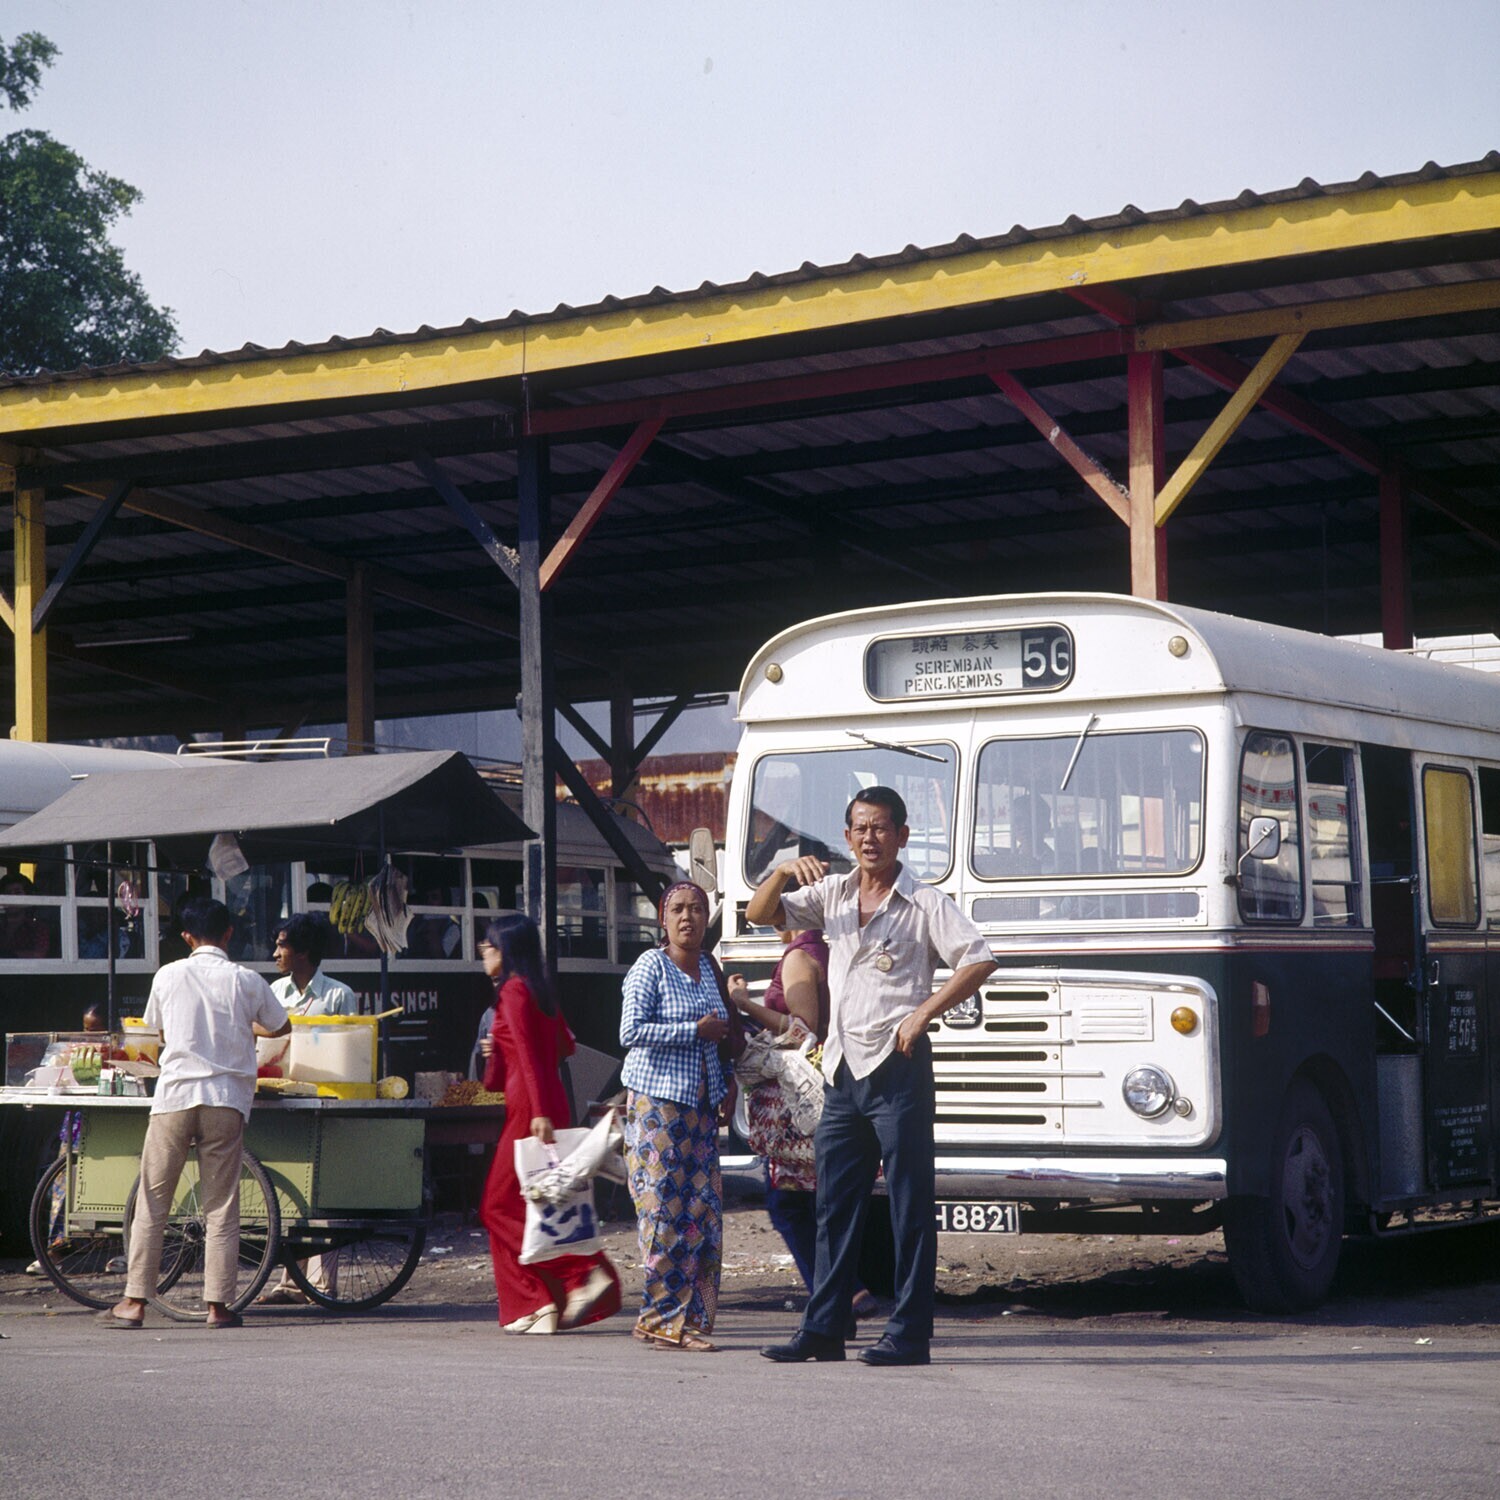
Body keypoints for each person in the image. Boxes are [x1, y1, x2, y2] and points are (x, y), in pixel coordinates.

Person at [750, 786, 996, 1367]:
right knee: (833, 1206)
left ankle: (909, 1333)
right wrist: (781, 871)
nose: (870, 838)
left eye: (881, 828)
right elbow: (760, 915)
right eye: (860, 828)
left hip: (897, 1067)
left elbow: (979, 958)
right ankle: (824, 1328)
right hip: (842, 1070)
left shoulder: (924, 903)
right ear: (847, 836)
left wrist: (924, 1013)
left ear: (902, 836)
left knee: (910, 1204)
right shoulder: (833, 894)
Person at [102, 897, 290, 1330]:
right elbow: (281, 1026)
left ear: (187, 938)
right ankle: (218, 1307)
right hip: (226, 1098)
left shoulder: (168, 975)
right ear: (229, 933)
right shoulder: (246, 980)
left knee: (154, 1200)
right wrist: (243, 1024)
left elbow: (155, 1030)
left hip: (175, 1096)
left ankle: (133, 1302)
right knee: (221, 1204)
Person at [477, 913, 621, 1335]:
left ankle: (576, 1276)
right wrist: (498, 1049)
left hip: (530, 1109)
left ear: (506, 951)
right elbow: (564, 1047)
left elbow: (524, 1055)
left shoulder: (513, 991)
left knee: (496, 1206)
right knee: (541, 1202)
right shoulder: (541, 992)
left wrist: (537, 1109)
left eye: (489, 945)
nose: (483, 951)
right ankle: (537, 1302)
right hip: (550, 1100)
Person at [727, 931, 877, 1319]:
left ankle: (839, 1297)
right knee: (816, 1201)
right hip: (830, 1088)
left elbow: (801, 1030)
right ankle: (845, 1293)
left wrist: (744, 1004)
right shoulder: (829, 951)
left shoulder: (800, 956)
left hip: (796, 1101)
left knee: (788, 1205)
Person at [619, 879, 742, 1352]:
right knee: (663, 1213)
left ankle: (688, 1320)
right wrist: (693, 1030)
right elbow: (630, 1031)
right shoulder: (649, 966)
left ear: (707, 919)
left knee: (701, 1214)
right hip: (659, 1108)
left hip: (703, 1109)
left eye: (696, 909)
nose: (687, 917)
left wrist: (727, 1081)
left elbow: (722, 1034)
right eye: (678, 910)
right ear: (663, 919)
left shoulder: (709, 968)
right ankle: (660, 1320)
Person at [269, 913, 358, 1016]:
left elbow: (350, 1027)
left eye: (282, 946)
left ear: (302, 951)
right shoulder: (275, 990)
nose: (275, 954)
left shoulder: (339, 995)